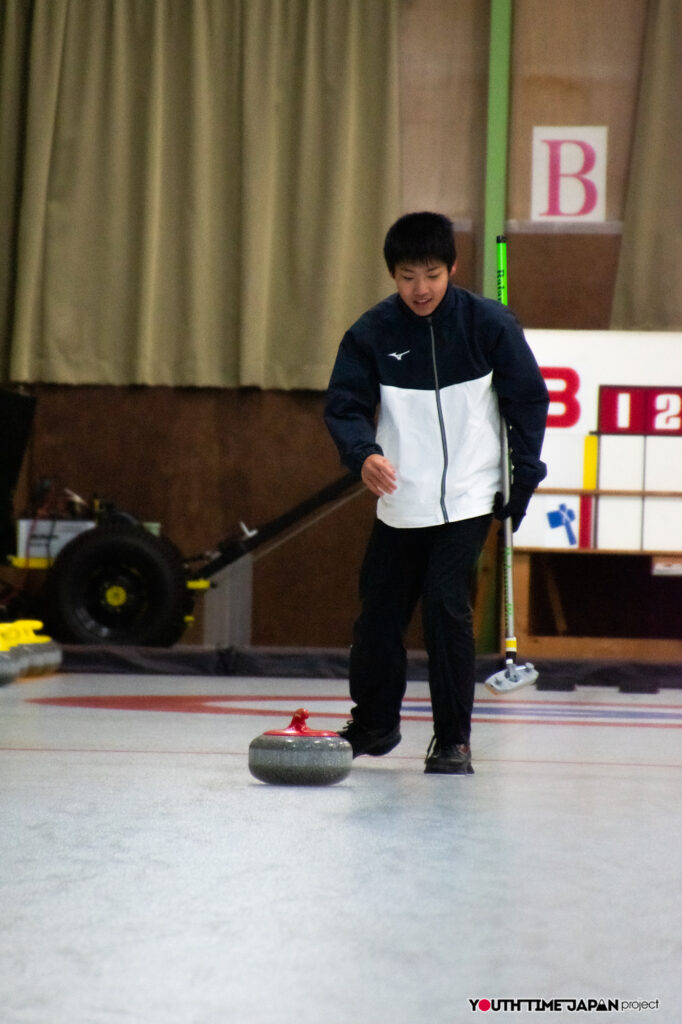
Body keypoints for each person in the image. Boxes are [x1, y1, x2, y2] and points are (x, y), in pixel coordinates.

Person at [324, 212, 549, 774]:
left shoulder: (488, 324)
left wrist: (525, 474)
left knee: (446, 605)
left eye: (430, 274)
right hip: (403, 498)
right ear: (391, 276)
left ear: (452, 267)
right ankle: (375, 722)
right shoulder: (371, 332)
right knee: (377, 612)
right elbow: (346, 407)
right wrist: (363, 454)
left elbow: (528, 401)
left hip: (471, 496)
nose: (419, 289)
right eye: (406, 276)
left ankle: (453, 740)